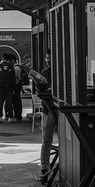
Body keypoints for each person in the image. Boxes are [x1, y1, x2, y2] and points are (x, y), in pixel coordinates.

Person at [33, 51, 57, 179]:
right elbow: (39, 91)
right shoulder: (44, 73)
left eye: (50, 58)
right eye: (47, 58)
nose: (48, 61)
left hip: (61, 111)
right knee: (46, 140)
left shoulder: (64, 72)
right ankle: (44, 167)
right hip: (48, 109)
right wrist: (38, 84)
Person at [0, 53, 15, 121]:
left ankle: (0, 117)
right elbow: (13, 79)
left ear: (3, 58)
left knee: (0, 103)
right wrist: (13, 88)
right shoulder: (11, 67)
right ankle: (10, 117)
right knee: (9, 102)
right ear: (8, 59)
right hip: (9, 88)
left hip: (1, 87)